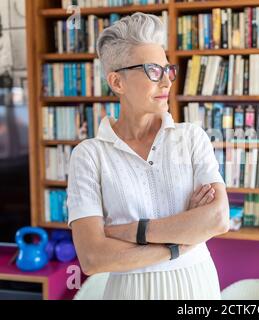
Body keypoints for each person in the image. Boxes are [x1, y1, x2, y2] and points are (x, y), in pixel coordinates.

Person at [67, 12, 229, 300]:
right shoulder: (89, 156)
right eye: (153, 71)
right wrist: (179, 243)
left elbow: (217, 219)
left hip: (197, 289)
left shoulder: (192, 137)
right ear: (117, 82)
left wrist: (133, 232)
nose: (166, 82)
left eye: (168, 70)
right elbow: (93, 258)